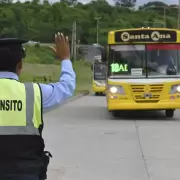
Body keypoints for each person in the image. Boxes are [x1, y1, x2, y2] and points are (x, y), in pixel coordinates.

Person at [0, 32, 76, 180]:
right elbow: (66, 88)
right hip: (25, 174)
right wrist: (65, 59)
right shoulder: (34, 93)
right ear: (20, 65)